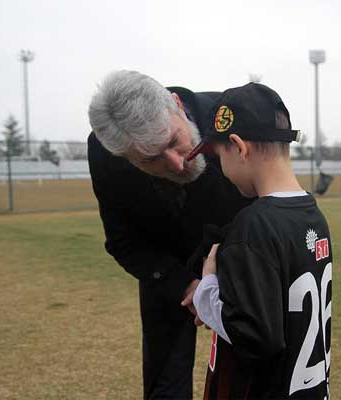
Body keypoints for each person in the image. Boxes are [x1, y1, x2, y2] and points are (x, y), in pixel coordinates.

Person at [87, 70, 252, 399]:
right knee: (165, 382)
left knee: (256, 369)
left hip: (243, 255)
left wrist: (227, 274)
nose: (177, 164)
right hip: (167, 269)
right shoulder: (106, 154)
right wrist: (184, 284)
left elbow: (271, 199)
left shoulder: (232, 114)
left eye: (174, 142)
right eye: (151, 159)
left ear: (176, 105)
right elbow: (123, 241)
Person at [189, 83, 333, 399]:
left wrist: (208, 289)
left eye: (219, 155)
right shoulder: (312, 214)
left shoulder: (254, 226)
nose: (220, 169)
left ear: (239, 147)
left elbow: (256, 337)